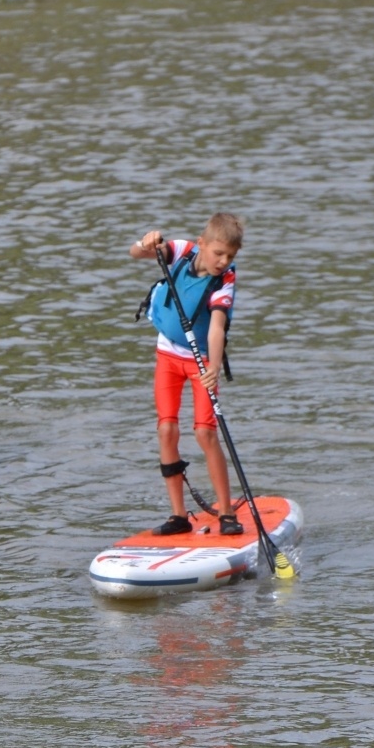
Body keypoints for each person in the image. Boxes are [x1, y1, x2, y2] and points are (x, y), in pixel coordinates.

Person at [128, 214, 245, 537]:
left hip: (201, 362)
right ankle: (179, 515)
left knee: (205, 434)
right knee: (166, 429)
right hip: (167, 357)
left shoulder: (225, 281)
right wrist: (146, 242)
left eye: (230, 256)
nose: (223, 261)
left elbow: (217, 327)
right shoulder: (181, 251)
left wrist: (213, 367)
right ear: (202, 244)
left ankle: (226, 512)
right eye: (218, 253)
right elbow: (136, 254)